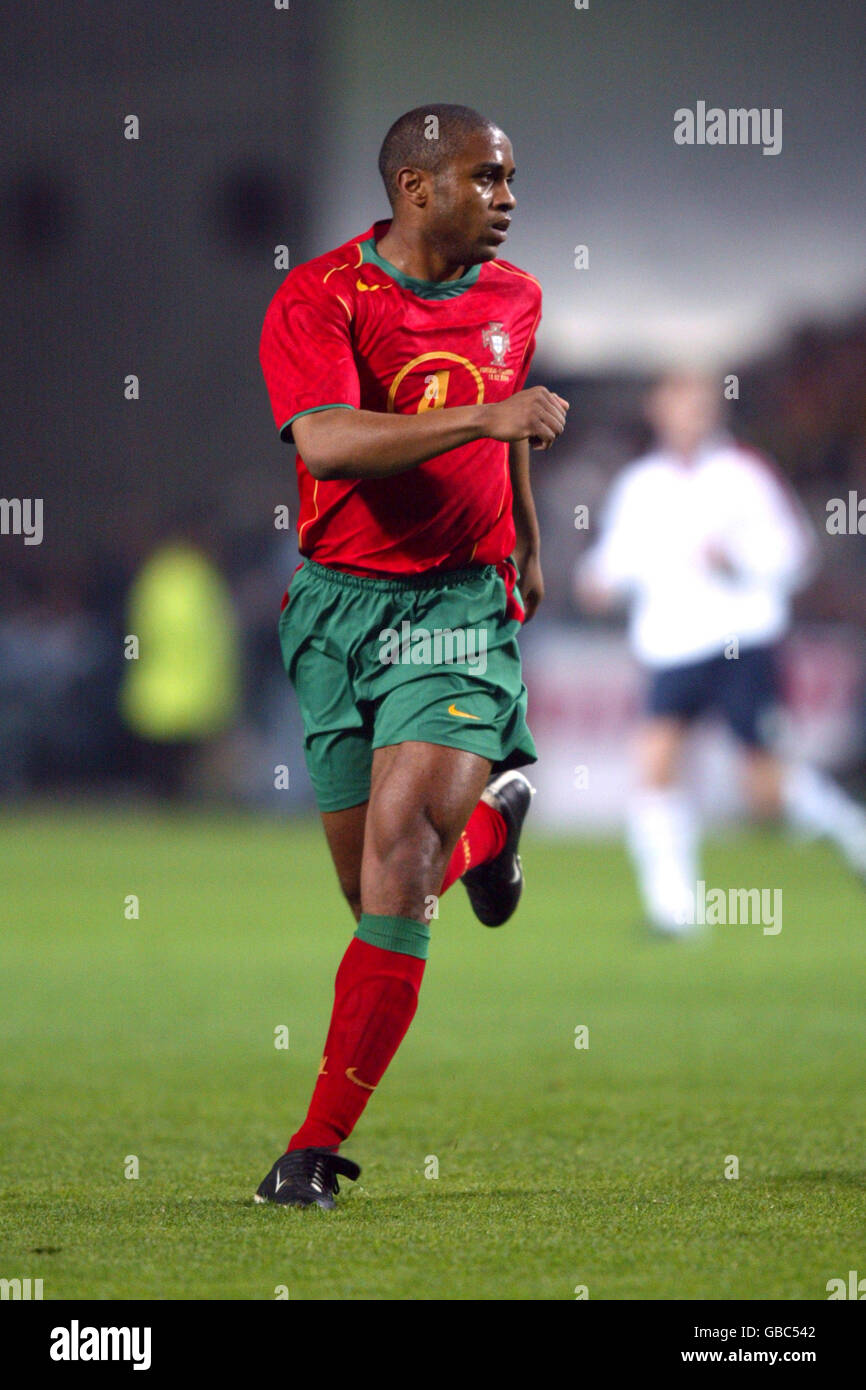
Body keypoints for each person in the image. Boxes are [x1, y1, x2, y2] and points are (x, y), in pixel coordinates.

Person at [255, 104, 569, 1207]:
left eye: (512, 178)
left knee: (396, 855)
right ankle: (489, 833)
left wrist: (525, 540)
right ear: (416, 188)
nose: (508, 199)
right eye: (487, 178)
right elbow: (329, 441)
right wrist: (485, 419)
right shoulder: (318, 298)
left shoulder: (516, 297)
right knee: (380, 893)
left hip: (456, 604)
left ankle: (310, 1149)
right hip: (337, 611)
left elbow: (511, 430)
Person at [577, 370, 866, 936]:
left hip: (742, 639)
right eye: (677, 404)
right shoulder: (641, 484)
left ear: (714, 412)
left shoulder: (745, 476)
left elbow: (795, 554)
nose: (687, 415)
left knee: (762, 791)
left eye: (698, 405)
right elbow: (614, 558)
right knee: (656, 763)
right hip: (671, 644)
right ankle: (675, 912)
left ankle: (851, 829)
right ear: (658, 411)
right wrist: (597, 581)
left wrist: (737, 560)